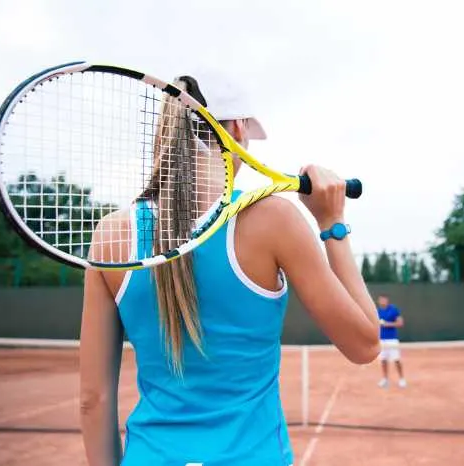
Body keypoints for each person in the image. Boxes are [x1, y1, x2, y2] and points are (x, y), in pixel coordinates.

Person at [78, 73, 380, 466]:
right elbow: (365, 344)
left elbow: (93, 400)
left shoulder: (111, 235)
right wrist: (332, 224)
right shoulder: (274, 220)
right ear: (237, 130)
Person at [377, 294, 406, 388]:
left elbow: (400, 323)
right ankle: (385, 379)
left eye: (384, 299)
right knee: (383, 360)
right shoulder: (377, 311)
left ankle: (401, 379)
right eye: (381, 300)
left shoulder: (393, 310)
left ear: (387, 300)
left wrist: (387, 324)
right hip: (381, 340)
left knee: (396, 360)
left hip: (392, 340)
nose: (382, 301)